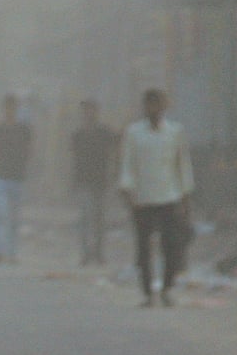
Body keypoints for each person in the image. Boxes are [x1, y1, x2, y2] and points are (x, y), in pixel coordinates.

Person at [118, 89, 194, 307]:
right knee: (144, 249)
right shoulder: (134, 132)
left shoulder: (175, 132)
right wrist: (127, 190)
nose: (154, 109)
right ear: (145, 107)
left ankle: (167, 288)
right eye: (150, 105)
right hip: (142, 198)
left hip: (169, 196)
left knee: (170, 246)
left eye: (158, 105)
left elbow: (183, 165)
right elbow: (128, 163)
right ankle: (147, 292)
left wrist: (185, 196)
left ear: (164, 107)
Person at [70, 99, 119, 265]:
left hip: (100, 181)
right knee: (85, 218)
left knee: (99, 219)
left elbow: (116, 148)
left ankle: (98, 253)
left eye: (92, 110)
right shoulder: (77, 135)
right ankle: (85, 253)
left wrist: (114, 174)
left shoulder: (105, 133)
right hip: (83, 181)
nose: (88, 113)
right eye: (86, 110)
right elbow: (73, 160)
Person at [0, 94, 31, 263]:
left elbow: (29, 149)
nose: (10, 110)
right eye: (7, 107)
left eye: (12, 107)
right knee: (1, 215)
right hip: (1, 178)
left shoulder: (23, 130)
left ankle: (12, 253)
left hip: (18, 178)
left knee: (14, 218)